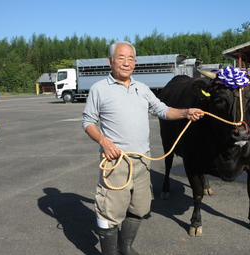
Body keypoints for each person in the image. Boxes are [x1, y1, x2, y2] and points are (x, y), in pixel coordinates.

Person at [82, 41, 204, 255]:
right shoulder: (99, 89)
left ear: (135, 63)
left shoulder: (142, 89)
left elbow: (163, 111)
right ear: (110, 61)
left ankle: (125, 247)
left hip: (142, 161)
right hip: (115, 162)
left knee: (139, 207)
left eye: (131, 58)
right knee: (109, 211)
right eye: (121, 58)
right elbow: (88, 122)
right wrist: (103, 141)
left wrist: (186, 112)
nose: (126, 62)